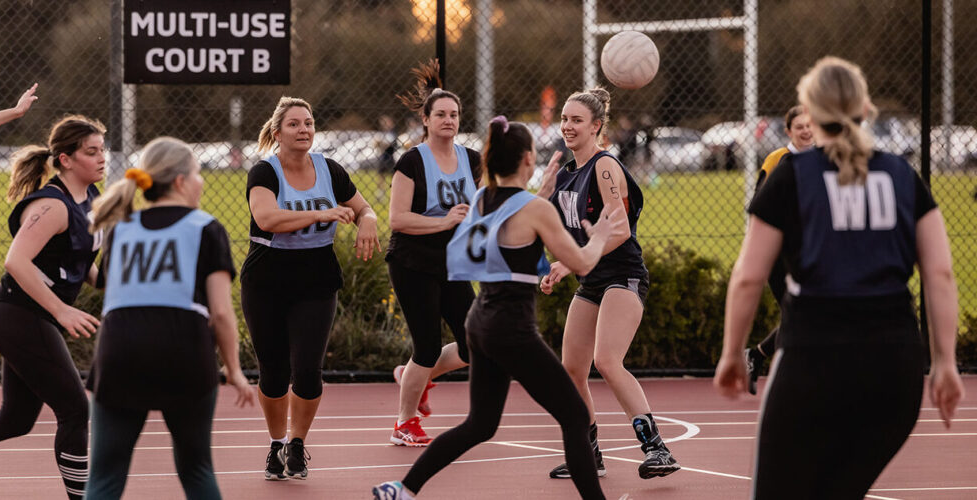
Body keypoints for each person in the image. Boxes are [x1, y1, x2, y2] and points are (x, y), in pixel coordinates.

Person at [714, 56, 965, 499]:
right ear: (865, 108)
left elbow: (749, 277)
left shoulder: (792, 175)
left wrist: (734, 352)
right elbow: (940, 273)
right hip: (894, 369)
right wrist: (944, 361)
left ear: (812, 112)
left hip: (814, 359)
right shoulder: (903, 175)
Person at [373, 117, 625, 500]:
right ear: (528, 158)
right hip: (511, 327)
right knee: (574, 416)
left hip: (480, 321)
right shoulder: (534, 210)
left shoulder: (482, 198)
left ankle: (402, 489)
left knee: (481, 424)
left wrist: (540, 193)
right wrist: (601, 237)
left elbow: (513, 224)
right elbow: (584, 262)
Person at [84, 137, 257, 498]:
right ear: (180, 181)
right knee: (196, 470)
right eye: (197, 173)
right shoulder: (205, 227)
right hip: (183, 350)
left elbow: (113, 292)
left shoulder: (120, 230)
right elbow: (222, 313)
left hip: (120, 351)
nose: (202, 181)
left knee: (104, 476)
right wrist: (234, 370)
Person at [538, 88, 679, 480]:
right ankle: (589, 454)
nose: (567, 126)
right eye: (564, 119)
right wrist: (556, 263)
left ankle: (657, 449)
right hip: (592, 279)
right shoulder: (566, 175)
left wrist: (571, 261)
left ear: (596, 126)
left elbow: (617, 228)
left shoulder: (603, 166)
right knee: (571, 368)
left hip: (623, 275)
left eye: (576, 120)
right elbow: (559, 233)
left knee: (607, 360)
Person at [241, 96, 380, 480]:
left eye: (309, 123)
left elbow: (362, 208)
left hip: (316, 279)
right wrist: (320, 213)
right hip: (267, 279)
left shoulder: (330, 170)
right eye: (294, 124)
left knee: (306, 371)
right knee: (273, 370)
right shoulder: (264, 172)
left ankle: (297, 444)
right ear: (277, 132)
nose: (304, 130)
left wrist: (367, 219)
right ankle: (275, 444)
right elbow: (266, 218)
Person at [0, 106, 106, 500]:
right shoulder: (51, 206)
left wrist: (117, 288)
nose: (102, 157)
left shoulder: (91, 198)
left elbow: (77, 261)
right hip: (19, 315)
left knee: (15, 420)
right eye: (91, 151)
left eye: (103, 149)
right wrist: (62, 310)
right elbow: (15, 261)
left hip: (35, 318)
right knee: (75, 409)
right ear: (65, 159)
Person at [385, 60, 482, 446]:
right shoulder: (412, 161)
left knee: (476, 343)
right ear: (425, 119)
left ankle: (416, 376)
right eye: (440, 113)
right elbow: (397, 219)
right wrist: (443, 222)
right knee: (425, 347)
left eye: (454, 114)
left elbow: (478, 209)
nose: (448, 119)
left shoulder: (472, 159)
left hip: (453, 262)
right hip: (414, 261)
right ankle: (403, 423)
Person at [743, 104, 815, 394]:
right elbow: (762, 210)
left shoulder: (823, 160)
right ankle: (789, 378)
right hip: (779, 255)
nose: (806, 131)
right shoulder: (778, 160)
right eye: (799, 127)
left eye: (810, 125)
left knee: (807, 316)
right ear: (788, 131)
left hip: (810, 254)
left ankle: (756, 355)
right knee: (803, 317)